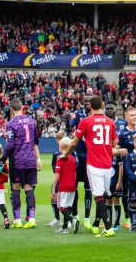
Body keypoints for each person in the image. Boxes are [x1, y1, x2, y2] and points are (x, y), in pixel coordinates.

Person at [64, 95, 119, 237]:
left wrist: (66, 154)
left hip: (94, 164)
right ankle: (97, 223)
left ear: (90, 106)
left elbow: (74, 142)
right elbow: (113, 145)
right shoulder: (110, 122)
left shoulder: (86, 121)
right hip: (108, 164)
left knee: (98, 195)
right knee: (105, 195)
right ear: (102, 104)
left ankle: (108, 227)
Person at [0, 98, 40, 229]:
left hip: (18, 161)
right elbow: (35, 142)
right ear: (22, 108)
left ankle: (17, 219)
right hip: (31, 160)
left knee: (15, 188)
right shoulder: (32, 122)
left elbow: (9, 146)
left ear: (11, 109)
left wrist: (1, 161)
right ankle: (31, 218)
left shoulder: (11, 124)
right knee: (29, 188)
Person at [66, 95, 92, 229]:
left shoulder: (97, 118)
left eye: (90, 101)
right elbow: (68, 128)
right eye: (86, 101)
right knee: (74, 187)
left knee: (88, 189)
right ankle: (75, 214)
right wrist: (67, 121)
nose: (88, 104)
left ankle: (87, 218)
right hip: (77, 156)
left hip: (90, 157)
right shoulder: (78, 114)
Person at [49, 130, 79, 228]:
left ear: (61, 146)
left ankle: (72, 221)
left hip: (63, 186)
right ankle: (65, 228)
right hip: (72, 186)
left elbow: (57, 174)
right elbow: (74, 173)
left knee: (60, 206)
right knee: (68, 207)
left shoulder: (60, 158)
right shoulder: (72, 158)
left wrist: (53, 187)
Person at [107, 146, 123, 231]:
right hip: (106, 182)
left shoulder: (117, 154)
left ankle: (117, 224)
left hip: (115, 182)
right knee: (108, 201)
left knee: (116, 201)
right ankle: (109, 223)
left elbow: (121, 168)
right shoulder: (104, 152)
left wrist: (119, 182)